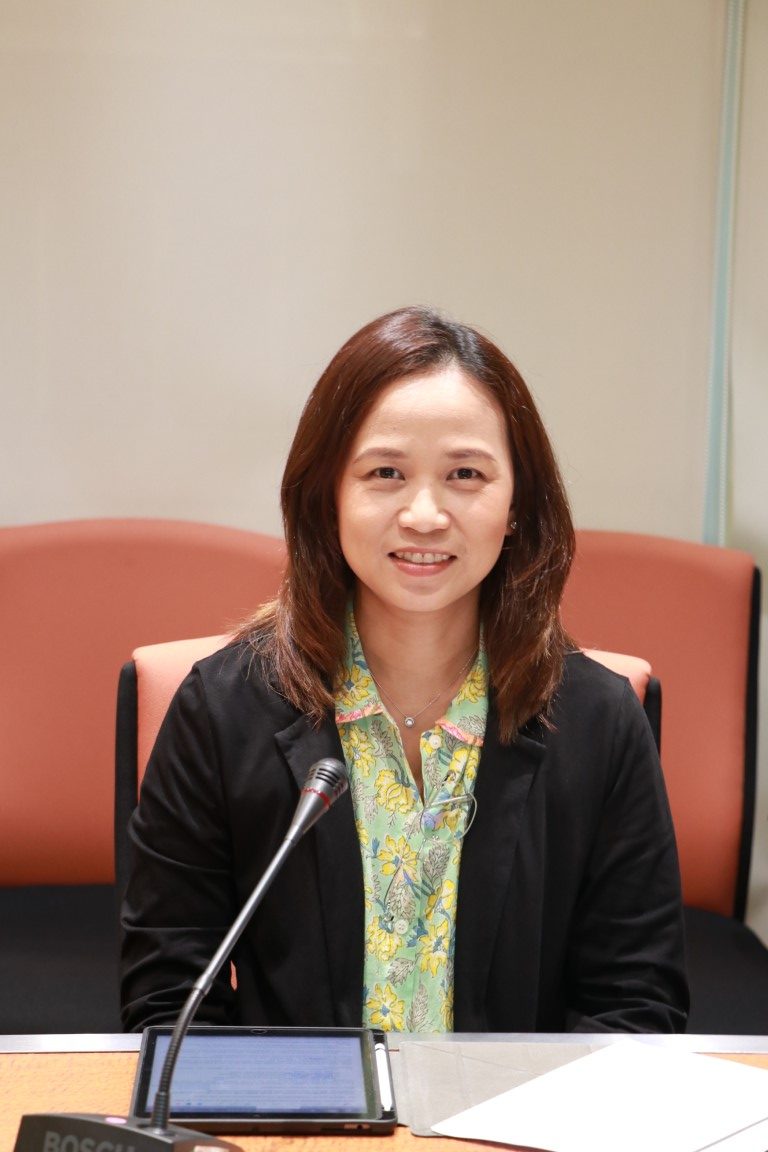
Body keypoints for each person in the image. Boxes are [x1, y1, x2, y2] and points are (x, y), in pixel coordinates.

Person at [120, 306, 688, 1034]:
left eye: (465, 474)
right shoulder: (222, 710)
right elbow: (169, 1004)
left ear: (517, 503)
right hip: (294, 1109)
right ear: (328, 495)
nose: (424, 514)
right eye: (385, 472)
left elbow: (636, 1010)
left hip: (520, 1110)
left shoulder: (599, 723)